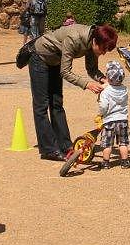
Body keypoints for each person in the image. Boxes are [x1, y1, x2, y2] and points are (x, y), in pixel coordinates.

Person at [29, 23, 118, 161]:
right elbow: (65, 71)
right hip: (40, 57)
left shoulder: (92, 41)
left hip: (55, 60)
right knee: (41, 105)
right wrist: (87, 84)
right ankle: (49, 149)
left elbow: (92, 69)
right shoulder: (74, 39)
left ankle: (65, 146)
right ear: (95, 41)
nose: (103, 53)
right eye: (103, 49)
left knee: (57, 103)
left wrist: (103, 79)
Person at [97, 61, 130, 169]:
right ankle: (125, 161)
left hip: (109, 121)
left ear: (109, 78)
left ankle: (106, 162)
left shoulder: (106, 91)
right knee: (123, 143)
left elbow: (103, 106)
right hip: (122, 120)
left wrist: (101, 114)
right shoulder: (125, 89)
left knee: (107, 144)